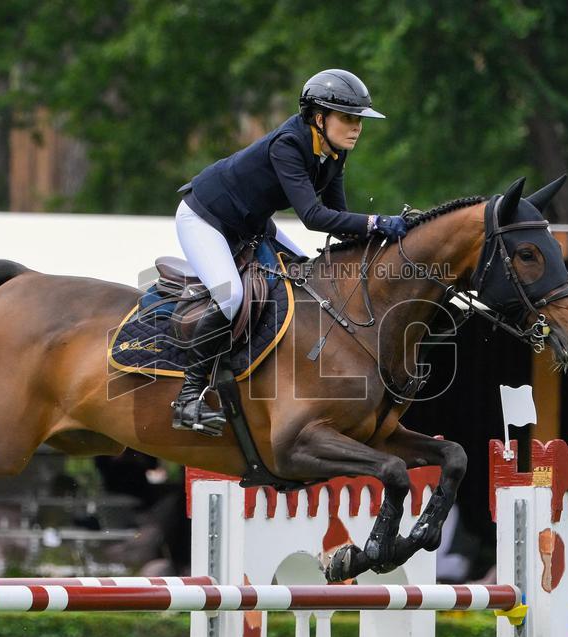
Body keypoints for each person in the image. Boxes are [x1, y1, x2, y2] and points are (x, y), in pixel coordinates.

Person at [172, 68, 408, 435]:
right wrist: (377, 223)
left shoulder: (333, 152)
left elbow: (339, 219)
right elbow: (314, 217)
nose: (357, 127)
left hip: (251, 226)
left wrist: (385, 242)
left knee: (307, 275)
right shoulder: (289, 144)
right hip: (206, 219)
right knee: (232, 297)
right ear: (319, 117)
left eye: (359, 119)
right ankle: (187, 398)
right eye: (348, 118)